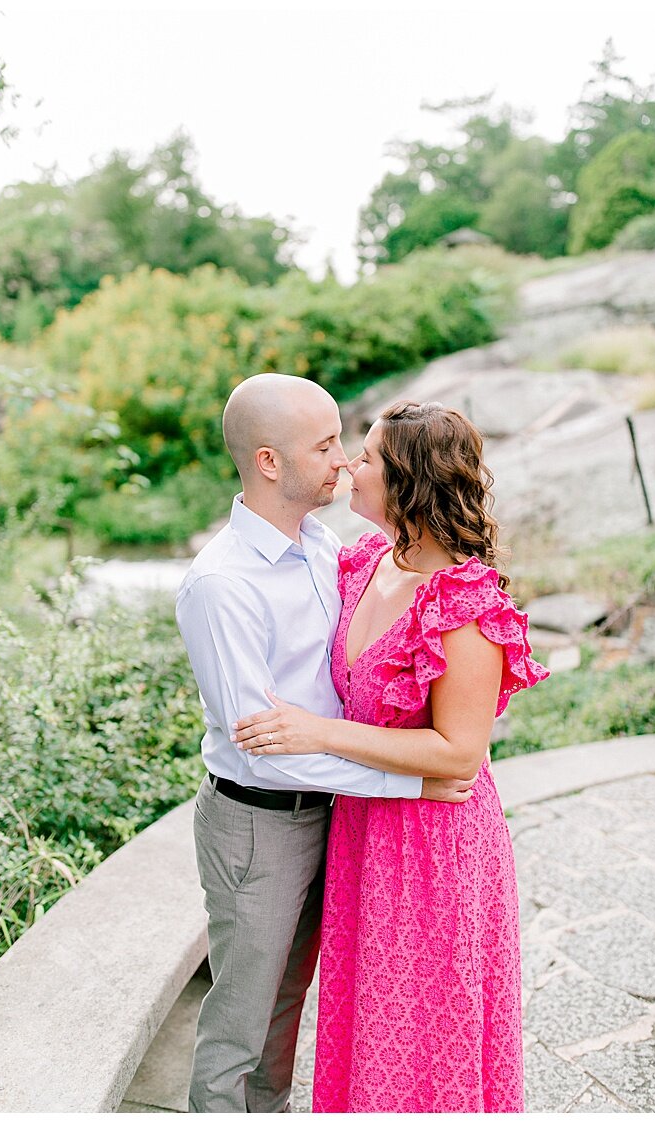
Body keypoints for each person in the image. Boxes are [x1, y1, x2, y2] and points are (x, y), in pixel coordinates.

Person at [232, 399, 549, 1112]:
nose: (348, 464)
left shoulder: (465, 604)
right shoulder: (366, 563)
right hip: (364, 831)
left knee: (426, 1035)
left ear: (407, 482)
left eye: (367, 457)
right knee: (368, 1027)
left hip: (434, 846)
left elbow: (459, 752)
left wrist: (318, 731)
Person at [174, 375, 474, 1114]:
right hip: (259, 823)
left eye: (343, 442)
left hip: (333, 817)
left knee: (285, 1007)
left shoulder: (322, 545)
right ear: (270, 462)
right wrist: (413, 783)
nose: (342, 459)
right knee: (240, 1022)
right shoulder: (222, 585)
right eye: (325, 444)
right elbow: (263, 747)